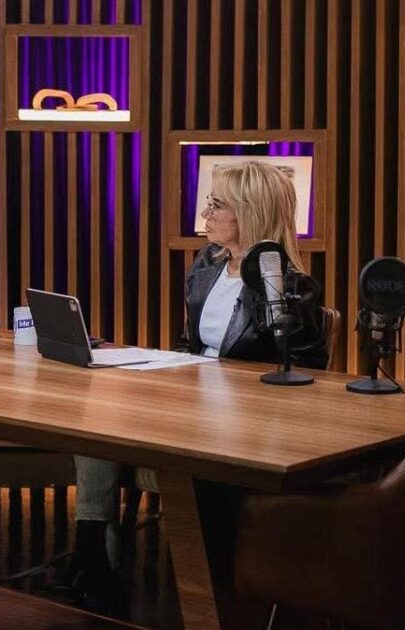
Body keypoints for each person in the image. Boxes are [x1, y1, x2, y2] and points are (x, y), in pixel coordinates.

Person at [68, 160, 328, 614]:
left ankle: (135, 575)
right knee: (97, 410)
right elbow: (191, 344)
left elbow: (308, 371)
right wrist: (163, 368)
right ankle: (92, 551)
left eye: (216, 205)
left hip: (240, 425)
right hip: (190, 402)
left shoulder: (290, 287)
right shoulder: (206, 265)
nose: (205, 214)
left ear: (249, 212)